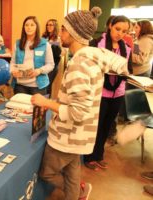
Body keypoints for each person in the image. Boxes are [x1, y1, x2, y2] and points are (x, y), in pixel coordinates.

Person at [30, 7, 129, 200]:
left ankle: (74, 191)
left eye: (64, 30)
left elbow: (77, 112)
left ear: (75, 33)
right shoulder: (93, 56)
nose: (60, 33)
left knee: (47, 173)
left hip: (67, 136)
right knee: (73, 171)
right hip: (80, 137)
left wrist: (47, 102)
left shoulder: (79, 64)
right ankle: (77, 193)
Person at [83, 15, 132, 170]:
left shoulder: (127, 49)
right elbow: (87, 66)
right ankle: (89, 157)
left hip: (117, 93)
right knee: (95, 126)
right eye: (117, 29)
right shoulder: (97, 44)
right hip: (100, 92)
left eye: (124, 31)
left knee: (107, 126)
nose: (120, 33)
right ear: (110, 25)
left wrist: (125, 73)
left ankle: (99, 155)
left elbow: (129, 70)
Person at [10, 16, 54, 95]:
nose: (29, 27)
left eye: (32, 25)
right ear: (23, 27)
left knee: (36, 107)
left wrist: (39, 71)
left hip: (38, 86)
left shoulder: (45, 44)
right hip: (20, 85)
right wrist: (13, 71)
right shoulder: (18, 44)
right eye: (26, 25)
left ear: (37, 27)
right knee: (20, 107)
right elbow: (12, 62)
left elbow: (51, 64)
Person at [42, 19, 62, 97]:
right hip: (43, 64)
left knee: (48, 84)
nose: (48, 26)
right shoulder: (44, 36)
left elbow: (59, 52)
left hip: (53, 65)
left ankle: (46, 102)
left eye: (50, 25)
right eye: (47, 25)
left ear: (55, 26)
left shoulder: (58, 38)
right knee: (44, 84)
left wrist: (49, 44)